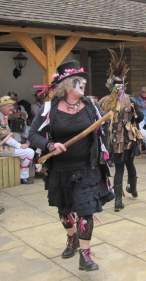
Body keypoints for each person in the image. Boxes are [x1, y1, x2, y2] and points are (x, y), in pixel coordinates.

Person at [28, 61, 114, 272]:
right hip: (60, 170)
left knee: (86, 211)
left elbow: (103, 129)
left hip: (87, 168)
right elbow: (32, 135)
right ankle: (71, 238)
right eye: (79, 81)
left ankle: (85, 255)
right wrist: (50, 144)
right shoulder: (50, 108)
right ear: (67, 85)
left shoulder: (92, 105)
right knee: (65, 211)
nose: (84, 83)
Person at [99, 48, 144, 211]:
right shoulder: (130, 100)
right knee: (129, 163)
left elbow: (100, 123)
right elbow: (141, 117)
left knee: (119, 168)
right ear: (123, 85)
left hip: (116, 141)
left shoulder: (104, 101)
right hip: (127, 140)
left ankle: (119, 200)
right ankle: (133, 189)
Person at [0, 95, 35, 184]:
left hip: (3, 145)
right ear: (3, 107)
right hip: (1, 148)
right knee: (29, 152)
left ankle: (23, 176)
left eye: (12, 105)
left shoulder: (2, 116)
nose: (12, 108)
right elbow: (5, 137)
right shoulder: (1, 117)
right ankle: (23, 177)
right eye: (9, 106)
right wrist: (20, 145)